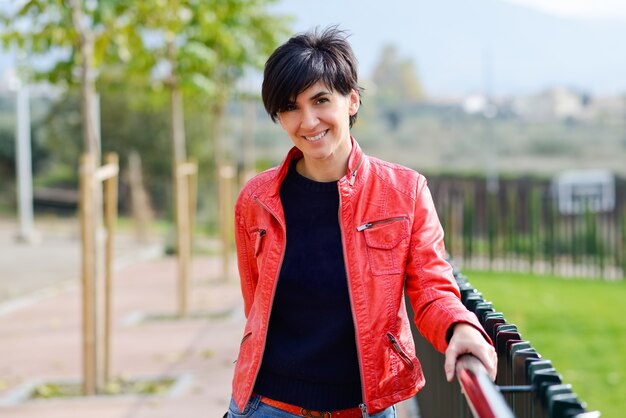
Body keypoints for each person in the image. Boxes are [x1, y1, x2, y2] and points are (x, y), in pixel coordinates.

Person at [227, 26, 497, 418]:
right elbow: (256, 304)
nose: (308, 121)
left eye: (321, 100)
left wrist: (462, 327)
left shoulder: (405, 192)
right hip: (266, 405)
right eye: (290, 107)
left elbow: (431, 288)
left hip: (362, 408)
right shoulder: (256, 199)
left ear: (351, 100)